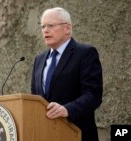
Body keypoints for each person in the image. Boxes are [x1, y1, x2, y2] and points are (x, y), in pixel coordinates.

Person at [31, 7, 103, 141]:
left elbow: (93, 95)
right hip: (45, 134)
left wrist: (67, 110)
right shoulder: (39, 60)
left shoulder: (85, 53)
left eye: (51, 26)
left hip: (77, 132)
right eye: (43, 26)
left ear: (67, 28)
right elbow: (36, 99)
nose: (45, 30)